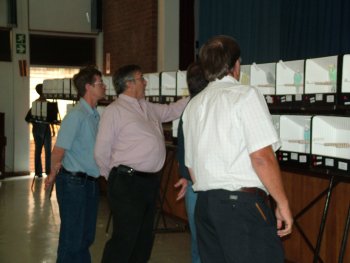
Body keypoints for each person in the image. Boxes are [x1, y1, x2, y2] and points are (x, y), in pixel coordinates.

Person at [182, 35, 293, 263]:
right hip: (241, 208)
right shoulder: (246, 95)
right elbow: (262, 157)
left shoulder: (193, 106)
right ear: (236, 65)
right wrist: (282, 203)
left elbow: (191, 167)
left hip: (205, 206)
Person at [94, 64, 189, 263]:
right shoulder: (115, 111)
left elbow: (172, 110)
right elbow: (101, 150)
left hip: (149, 182)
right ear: (129, 84)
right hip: (126, 182)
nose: (145, 82)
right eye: (141, 78)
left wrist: (196, 95)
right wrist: (113, 177)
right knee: (125, 237)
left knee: (144, 238)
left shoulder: (147, 107)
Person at [44, 66, 106, 262]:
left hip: (90, 183)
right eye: (100, 83)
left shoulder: (94, 116)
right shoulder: (76, 115)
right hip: (73, 184)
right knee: (72, 239)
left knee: (86, 237)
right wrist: (52, 175)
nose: (104, 87)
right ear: (88, 87)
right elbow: (58, 151)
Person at [174, 61, 208, 263]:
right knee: (207, 245)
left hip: (193, 186)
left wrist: (185, 176)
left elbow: (184, 149)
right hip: (205, 187)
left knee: (198, 244)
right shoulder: (203, 109)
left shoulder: (189, 108)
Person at [28, 84, 52, 177]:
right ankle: (48, 171)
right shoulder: (48, 104)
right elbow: (51, 118)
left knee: (38, 150)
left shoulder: (35, 103)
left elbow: (30, 118)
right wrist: (53, 129)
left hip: (36, 128)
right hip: (45, 128)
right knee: (48, 151)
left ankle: (38, 172)